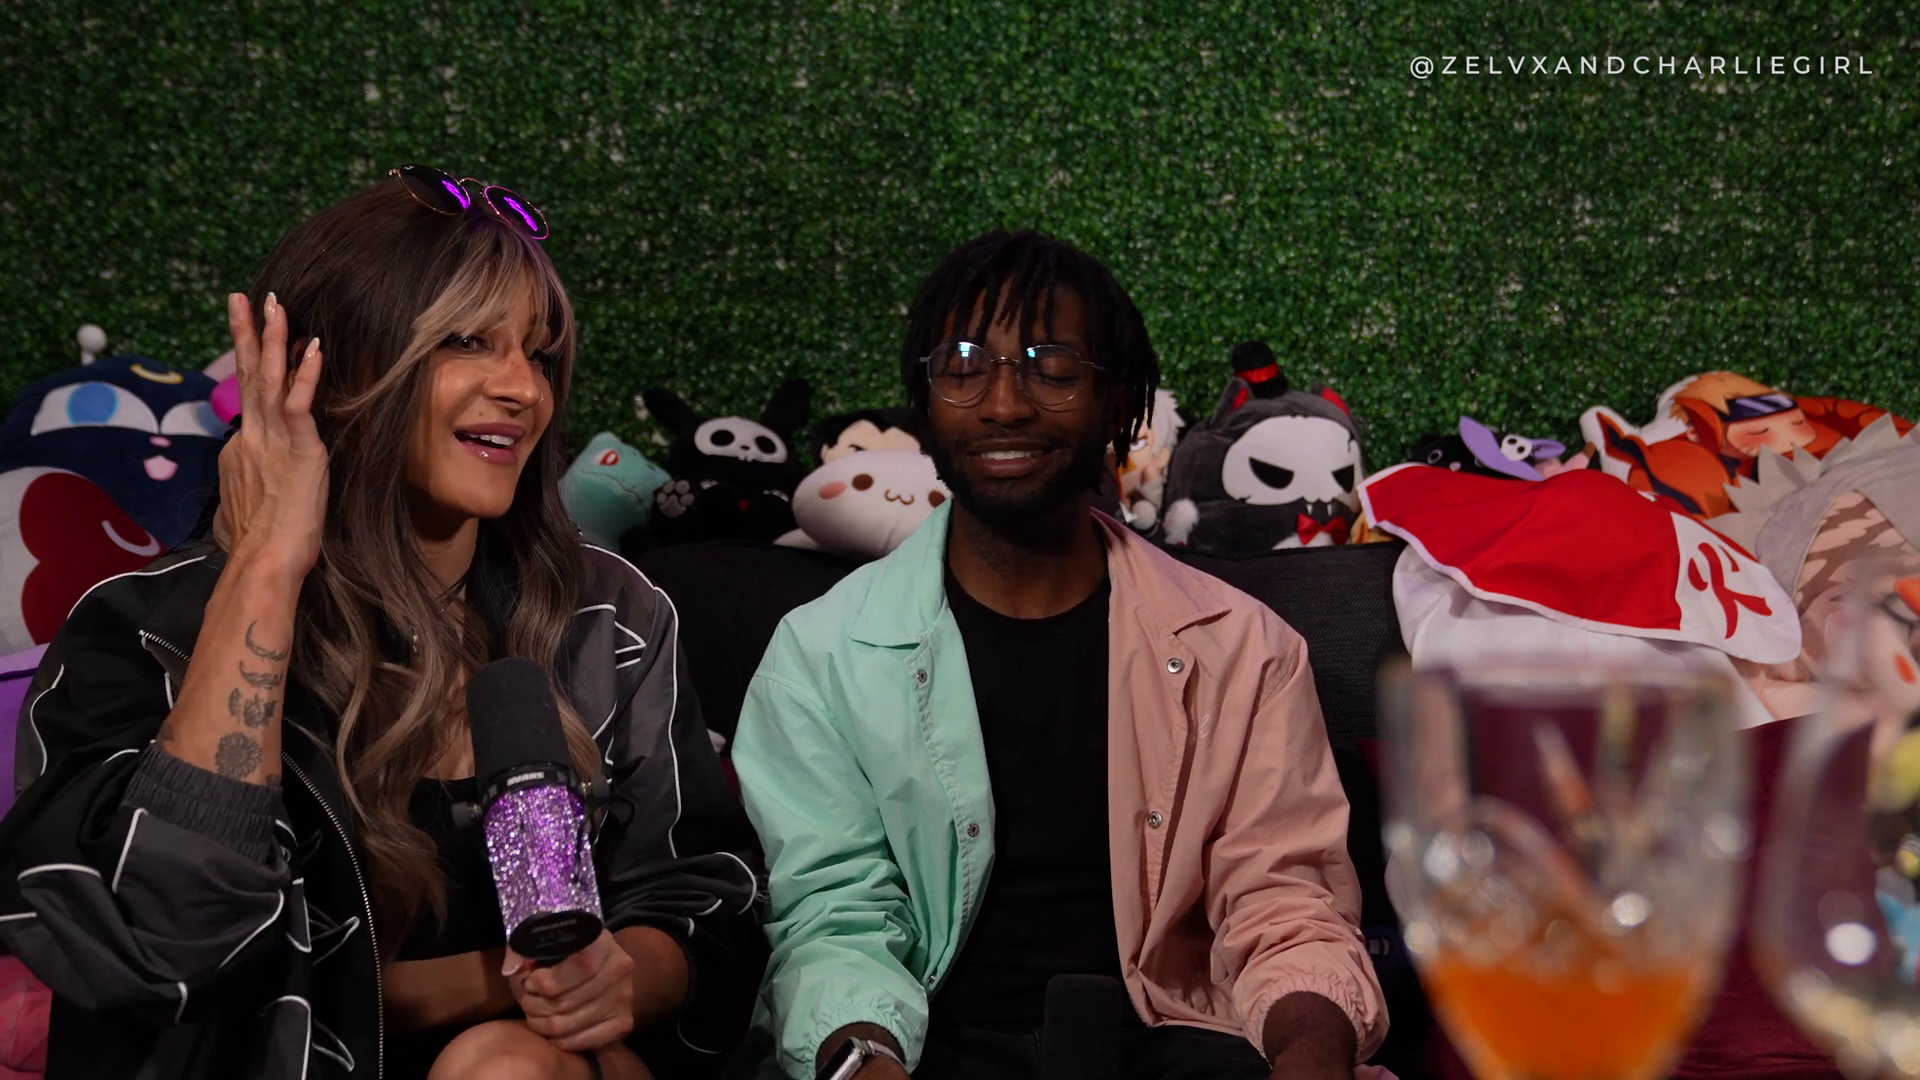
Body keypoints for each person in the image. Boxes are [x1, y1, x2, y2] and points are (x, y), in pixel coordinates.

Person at [0, 168, 766, 1080]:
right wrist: (265, 568)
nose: (524, 390)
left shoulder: (610, 617)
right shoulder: (140, 631)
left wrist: (623, 973)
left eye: (540, 354)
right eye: (467, 341)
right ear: (326, 369)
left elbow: (709, 903)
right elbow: (164, 948)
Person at [730, 230, 1386, 1080]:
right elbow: (832, 921)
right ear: (925, 400)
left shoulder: (1245, 648)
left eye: (1053, 367)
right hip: (920, 1050)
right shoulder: (819, 656)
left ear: (1119, 403)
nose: (1004, 404)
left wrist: (1311, 1056)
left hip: (1179, 1041)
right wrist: (869, 1068)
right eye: (964, 366)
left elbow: (1286, 907)